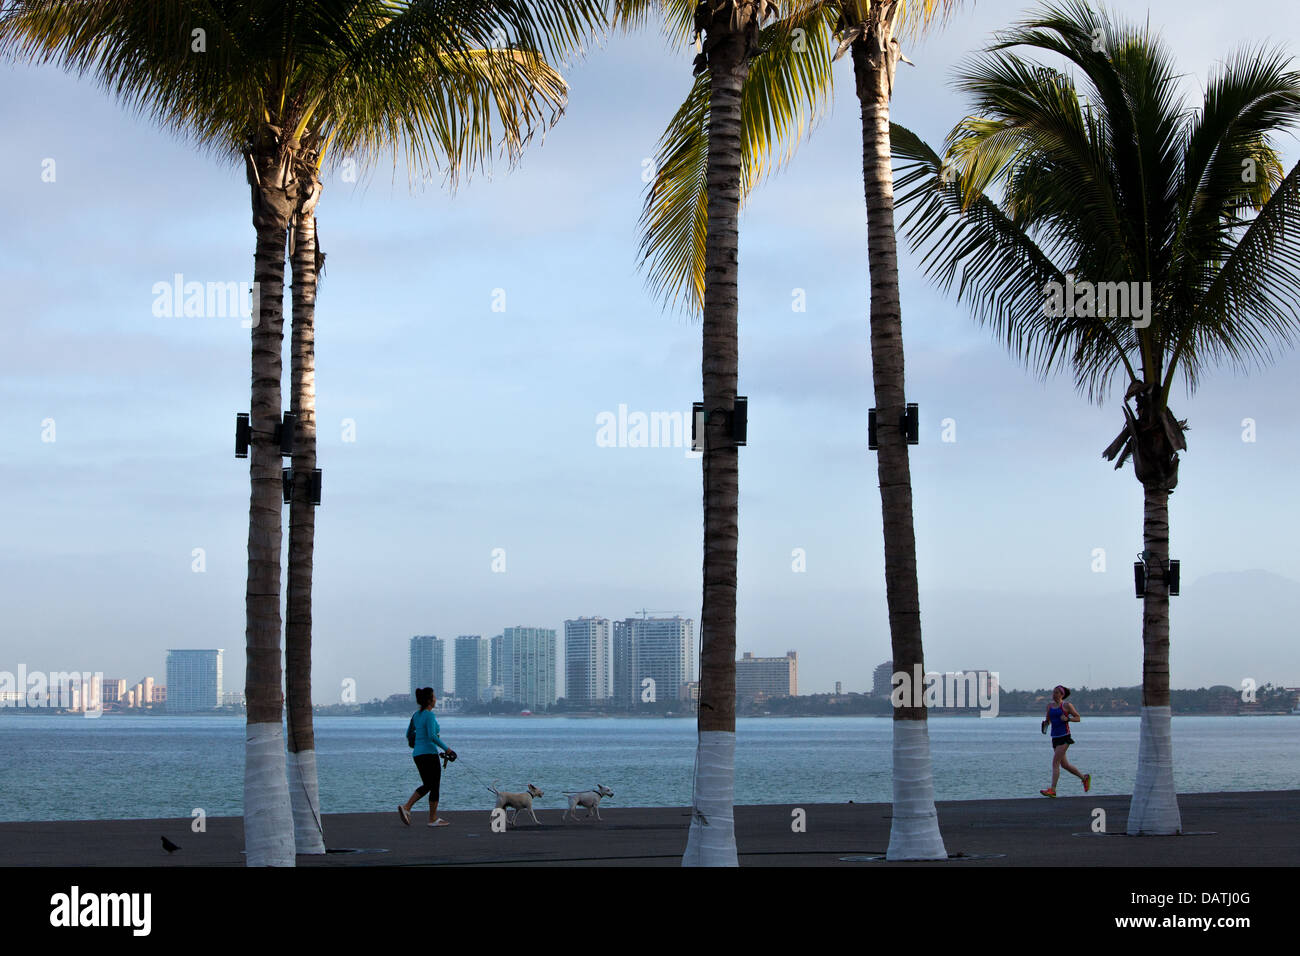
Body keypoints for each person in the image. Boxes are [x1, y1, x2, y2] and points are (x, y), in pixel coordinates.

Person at [398, 687, 457, 827]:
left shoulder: (416, 715)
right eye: (434, 697)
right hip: (429, 754)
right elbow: (431, 736)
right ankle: (412, 810)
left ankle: (425, 815)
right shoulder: (429, 715)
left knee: (429, 784)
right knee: (433, 785)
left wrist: (417, 744)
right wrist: (448, 750)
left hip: (417, 754)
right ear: (430, 701)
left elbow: (408, 734)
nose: (436, 699)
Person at [1040, 684, 1091, 797]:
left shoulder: (1067, 705)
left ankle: (1053, 790)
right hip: (1055, 737)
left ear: (1062, 694)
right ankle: (1084, 778)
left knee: (1055, 763)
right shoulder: (1049, 706)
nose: (1054, 694)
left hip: (1065, 737)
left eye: (1056, 692)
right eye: (1053, 692)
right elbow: (1048, 721)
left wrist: (1068, 719)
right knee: (1065, 765)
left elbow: (1078, 718)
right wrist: (1045, 725)